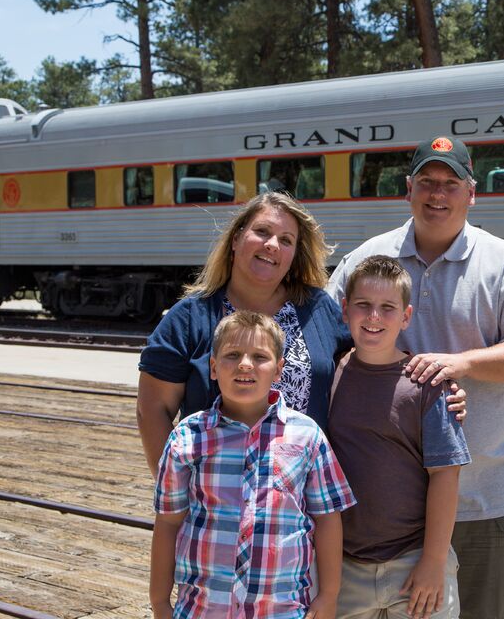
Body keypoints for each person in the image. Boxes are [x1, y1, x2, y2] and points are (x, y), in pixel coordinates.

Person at [327, 137, 504, 619]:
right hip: (391, 516)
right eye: (427, 182)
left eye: (451, 184)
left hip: (487, 496)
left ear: (471, 194)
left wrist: (461, 364)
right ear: (408, 189)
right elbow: (329, 336)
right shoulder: (367, 259)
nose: (438, 194)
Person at [150, 310, 354, 619]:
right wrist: (160, 603)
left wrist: (328, 596)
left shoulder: (307, 436)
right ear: (214, 368)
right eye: (233, 355)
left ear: (278, 371)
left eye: (259, 356)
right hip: (203, 610)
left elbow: (327, 520)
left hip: (282, 611)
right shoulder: (187, 437)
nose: (245, 364)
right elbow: (168, 523)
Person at [137, 192, 351, 477]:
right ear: (236, 239)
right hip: (215, 497)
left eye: (286, 240)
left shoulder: (318, 309)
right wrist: (176, 491)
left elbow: (368, 358)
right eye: (262, 231)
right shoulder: (190, 317)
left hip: (302, 496)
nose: (272, 244)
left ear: (294, 256)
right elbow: (153, 409)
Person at [329, 256, 469, 619]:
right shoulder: (330, 377)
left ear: (405, 316)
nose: (374, 316)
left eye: (387, 308)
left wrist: (434, 561)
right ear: (345, 310)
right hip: (343, 565)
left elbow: (446, 475)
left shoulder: (427, 385)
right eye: (363, 305)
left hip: (415, 561)